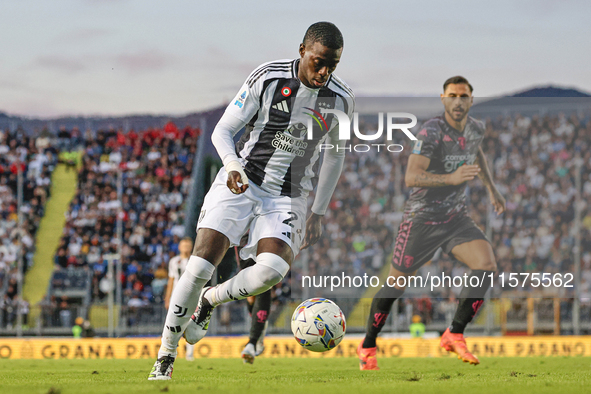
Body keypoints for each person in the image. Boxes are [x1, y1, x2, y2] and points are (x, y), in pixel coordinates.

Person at [149, 21, 354, 380]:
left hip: (289, 196)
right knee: (197, 268)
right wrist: (231, 166)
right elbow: (223, 130)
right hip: (243, 180)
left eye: (332, 65)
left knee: (271, 271)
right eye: (319, 61)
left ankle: (210, 300)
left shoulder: (341, 100)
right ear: (303, 49)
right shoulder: (268, 78)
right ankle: (166, 355)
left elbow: (335, 158)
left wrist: (318, 212)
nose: (324, 72)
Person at [357, 76, 505, 370]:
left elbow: (476, 152)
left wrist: (492, 188)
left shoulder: (476, 128)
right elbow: (411, 177)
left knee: (486, 265)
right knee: (396, 285)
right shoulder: (431, 131)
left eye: (463, 96)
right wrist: (450, 178)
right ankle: (369, 345)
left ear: (471, 100)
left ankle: (454, 333)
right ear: (443, 99)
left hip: (455, 217)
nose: (458, 101)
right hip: (421, 219)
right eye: (452, 96)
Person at [163, 237, 195, 361]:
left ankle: (189, 354)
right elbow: (171, 280)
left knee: (189, 324)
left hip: (190, 296)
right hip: (176, 297)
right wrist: (167, 298)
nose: (186, 248)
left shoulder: (194, 260)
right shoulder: (174, 261)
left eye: (188, 246)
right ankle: (171, 350)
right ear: (179, 247)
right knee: (173, 324)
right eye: (184, 246)